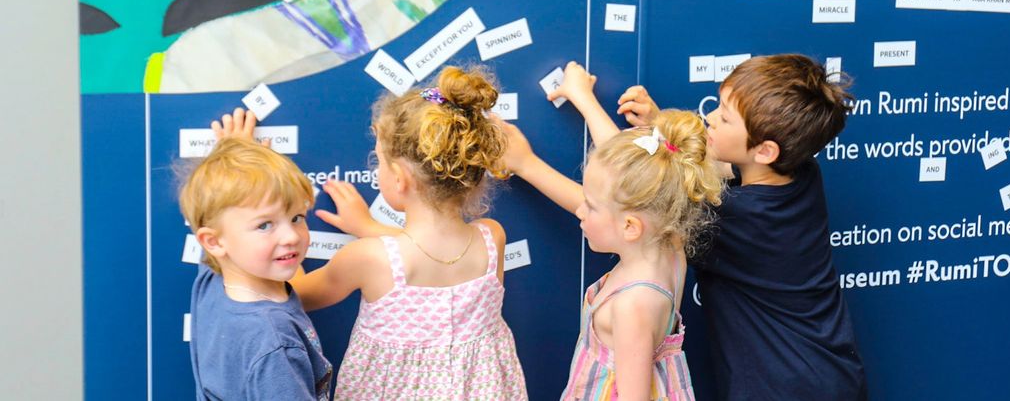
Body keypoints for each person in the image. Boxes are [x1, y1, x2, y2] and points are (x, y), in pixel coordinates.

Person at [615, 55, 868, 400]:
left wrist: (532, 159)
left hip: (779, 389)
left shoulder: (733, 219)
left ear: (765, 150)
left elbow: (632, 195)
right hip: (834, 376)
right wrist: (660, 125)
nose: (710, 118)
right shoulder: (803, 173)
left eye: (725, 117)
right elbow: (709, 168)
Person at [291, 66, 527, 400]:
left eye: (379, 160)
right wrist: (369, 227)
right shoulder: (492, 238)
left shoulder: (368, 258)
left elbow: (296, 294)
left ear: (400, 178)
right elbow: (435, 256)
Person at [499, 64, 722, 401]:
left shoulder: (633, 306)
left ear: (630, 227)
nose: (580, 209)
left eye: (590, 205)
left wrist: (528, 164)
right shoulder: (668, 242)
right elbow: (625, 180)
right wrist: (584, 99)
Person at [181, 109, 332, 401]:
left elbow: (215, 217)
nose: (291, 236)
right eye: (265, 225)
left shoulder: (214, 276)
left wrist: (235, 152)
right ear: (213, 241)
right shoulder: (275, 344)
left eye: (297, 217)